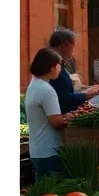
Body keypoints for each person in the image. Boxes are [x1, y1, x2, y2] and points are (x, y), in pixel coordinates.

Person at [25, 48, 67, 179]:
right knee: (50, 193)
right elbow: (56, 122)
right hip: (49, 151)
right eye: (59, 64)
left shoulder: (34, 84)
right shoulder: (46, 90)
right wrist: (75, 117)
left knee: (43, 194)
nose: (60, 68)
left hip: (38, 149)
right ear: (51, 67)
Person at [46, 29, 99, 114]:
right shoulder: (52, 65)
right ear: (64, 45)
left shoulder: (60, 63)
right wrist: (87, 94)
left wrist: (85, 89)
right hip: (57, 118)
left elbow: (64, 89)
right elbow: (63, 99)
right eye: (73, 45)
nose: (74, 49)